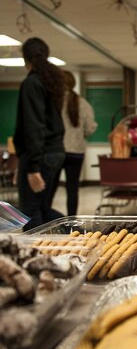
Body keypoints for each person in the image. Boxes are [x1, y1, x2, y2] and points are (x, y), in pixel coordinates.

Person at [13, 37, 65, 230]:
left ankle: (36, 257)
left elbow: (33, 126)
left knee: (29, 212)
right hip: (55, 152)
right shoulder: (52, 82)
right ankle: (78, 234)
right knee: (42, 208)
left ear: (25, 58)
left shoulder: (32, 83)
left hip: (41, 154)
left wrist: (33, 167)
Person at [57, 70, 98, 216]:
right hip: (77, 152)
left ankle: (46, 220)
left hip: (57, 151)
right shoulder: (83, 103)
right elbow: (90, 127)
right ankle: (71, 220)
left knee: (49, 189)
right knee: (72, 190)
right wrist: (80, 135)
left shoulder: (55, 101)